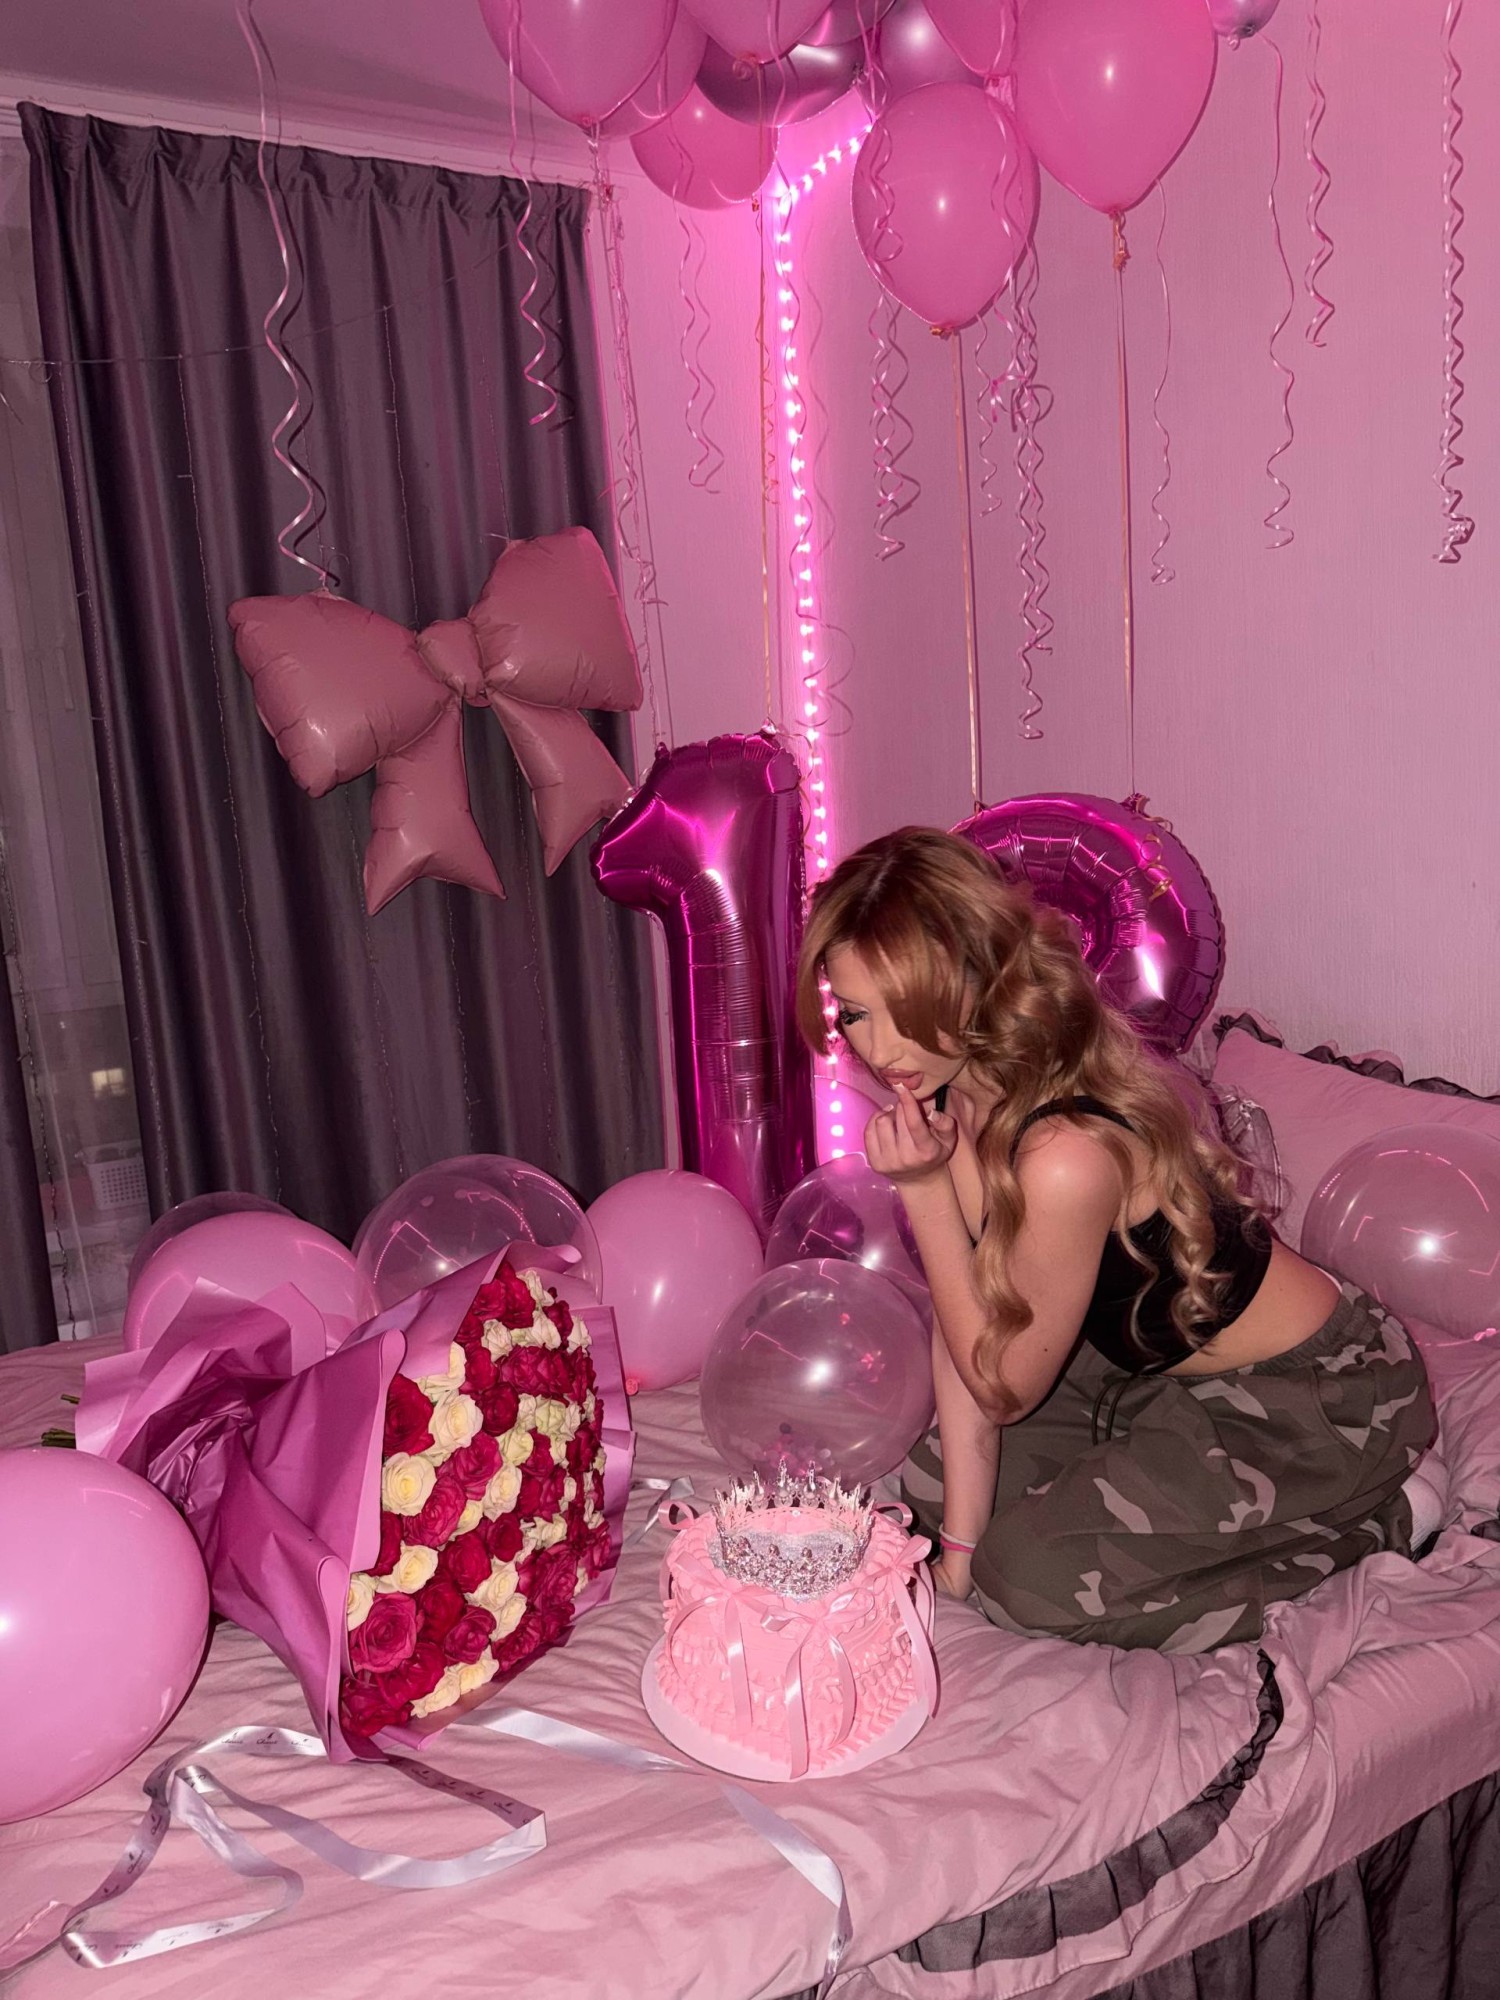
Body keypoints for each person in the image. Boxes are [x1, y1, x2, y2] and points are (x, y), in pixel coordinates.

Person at [796, 827, 1436, 1654]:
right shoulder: (955, 1096)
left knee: (1027, 1584)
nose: (882, 1052)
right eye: (855, 1014)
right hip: (1141, 1374)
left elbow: (1002, 1391)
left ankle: (1386, 1519)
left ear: (981, 979)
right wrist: (955, 1550)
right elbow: (967, 1336)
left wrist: (922, 1190)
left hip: (1314, 1400)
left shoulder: (1064, 1154)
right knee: (919, 1500)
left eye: (909, 1010)